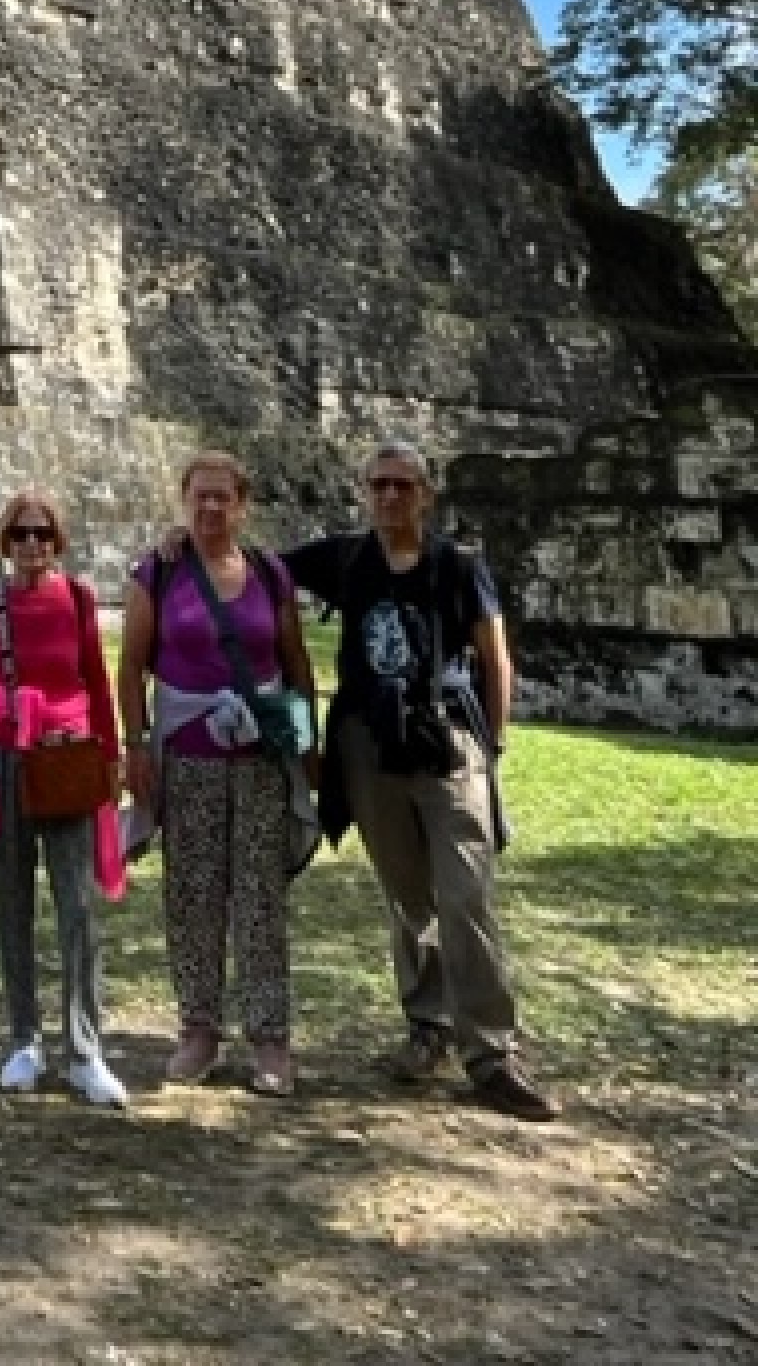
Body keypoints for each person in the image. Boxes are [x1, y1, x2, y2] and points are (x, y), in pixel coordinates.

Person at [283, 439, 557, 1122]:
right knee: (408, 895)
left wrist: (492, 741)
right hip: (370, 748)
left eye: (402, 486)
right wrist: (176, 543)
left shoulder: (457, 566)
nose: (389, 497)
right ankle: (427, 1026)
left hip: (446, 744)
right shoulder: (346, 558)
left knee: (465, 893)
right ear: (363, 491)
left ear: (425, 496)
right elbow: (253, 571)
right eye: (378, 485)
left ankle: (491, 1051)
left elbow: (494, 654)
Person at [117, 450, 318, 1097]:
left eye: (221, 497)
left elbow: (294, 662)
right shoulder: (160, 573)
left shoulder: (268, 573)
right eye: (199, 496)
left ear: (242, 504)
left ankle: (270, 1037)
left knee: (260, 894)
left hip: (258, 756)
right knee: (194, 893)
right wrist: (136, 746)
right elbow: (131, 669)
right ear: (184, 500)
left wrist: (306, 747)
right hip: (189, 755)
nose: (210, 508)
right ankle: (199, 1026)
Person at [0, 487, 129, 1108]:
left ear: (58, 541)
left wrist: (111, 756)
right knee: (13, 903)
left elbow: (97, 684)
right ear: (6, 540)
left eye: (42, 534)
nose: (31, 545)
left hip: (65, 758)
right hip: (1, 758)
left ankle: (85, 1048)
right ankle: (24, 1037)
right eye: (21, 534)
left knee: (77, 906)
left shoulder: (76, 598)